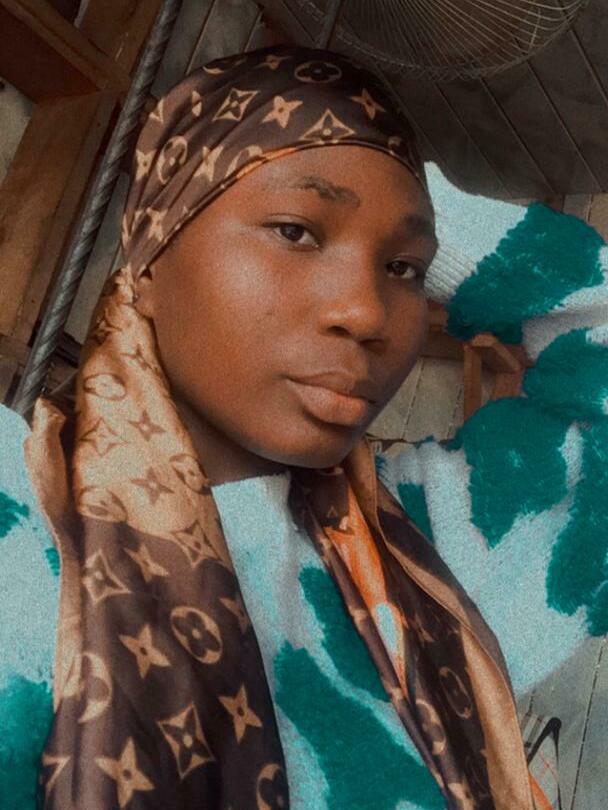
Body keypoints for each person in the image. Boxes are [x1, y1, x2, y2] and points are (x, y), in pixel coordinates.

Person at [0, 44, 606, 810]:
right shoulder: (25, 530)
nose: (365, 313)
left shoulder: (435, 548)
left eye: (405, 269)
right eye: (294, 231)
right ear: (150, 257)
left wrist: (414, 198)